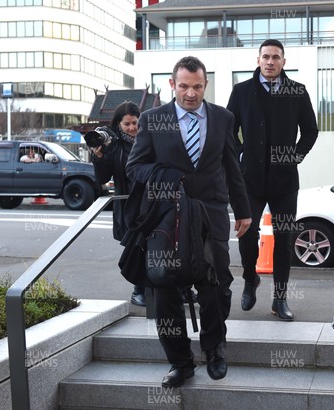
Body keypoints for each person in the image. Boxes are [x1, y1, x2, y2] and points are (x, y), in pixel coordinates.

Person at [126, 56, 251, 388]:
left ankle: (215, 350)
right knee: (165, 289)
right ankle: (180, 362)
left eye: (197, 87)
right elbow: (134, 167)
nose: (191, 94)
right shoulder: (153, 119)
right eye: (184, 86)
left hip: (211, 215)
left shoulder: (223, 118)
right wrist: (168, 177)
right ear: (172, 84)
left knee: (216, 285)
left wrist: (244, 209)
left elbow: (231, 166)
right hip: (167, 216)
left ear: (205, 85)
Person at [226, 39, 318, 321]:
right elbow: (229, 131)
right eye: (265, 57)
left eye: (275, 57)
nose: (270, 62)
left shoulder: (297, 91)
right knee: (246, 234)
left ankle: (280, 299)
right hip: (249, 180)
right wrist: (241, 155)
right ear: (258, 60)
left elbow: (311, 131)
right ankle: (250, 279)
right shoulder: (241, 91)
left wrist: (293, 156)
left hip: (284, 181)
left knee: (285, 237)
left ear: (283, 62)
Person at [90, 101, 147, 307]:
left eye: (135, 123)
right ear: (119, 124)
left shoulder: (148, 139)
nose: (132, 128)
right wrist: (99, 158)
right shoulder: (113, 146)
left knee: (163, 245)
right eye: (127, 124)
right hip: (128, 205)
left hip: (152, 202)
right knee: (138, 248)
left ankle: (177, 289)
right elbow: (103, 179)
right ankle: (138, 290)